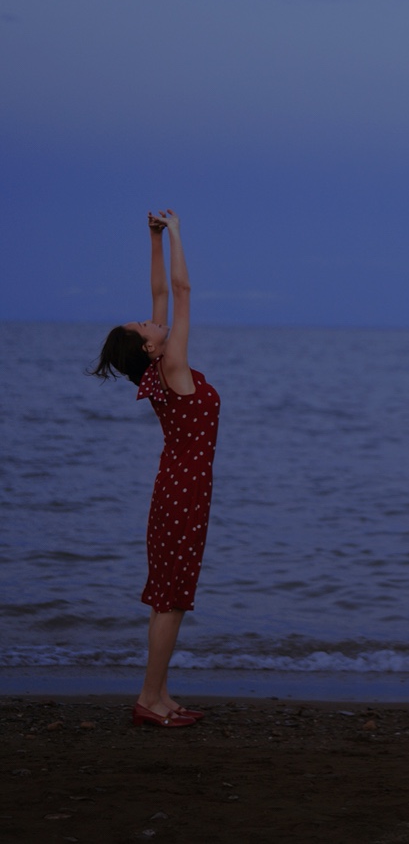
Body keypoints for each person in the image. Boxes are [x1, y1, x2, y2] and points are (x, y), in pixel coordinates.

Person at [89, 210, 220, 729]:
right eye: (143, 324)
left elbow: (162, 294)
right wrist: (180, 233)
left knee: (168, 596)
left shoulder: (158, 367)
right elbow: (181, 292)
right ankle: (149, 699)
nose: (149, 318)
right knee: (171, 600)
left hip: (176, 489)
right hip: (183, 494)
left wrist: (153, 239)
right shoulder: (173, 363)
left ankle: (161, 694)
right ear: (150, 346)